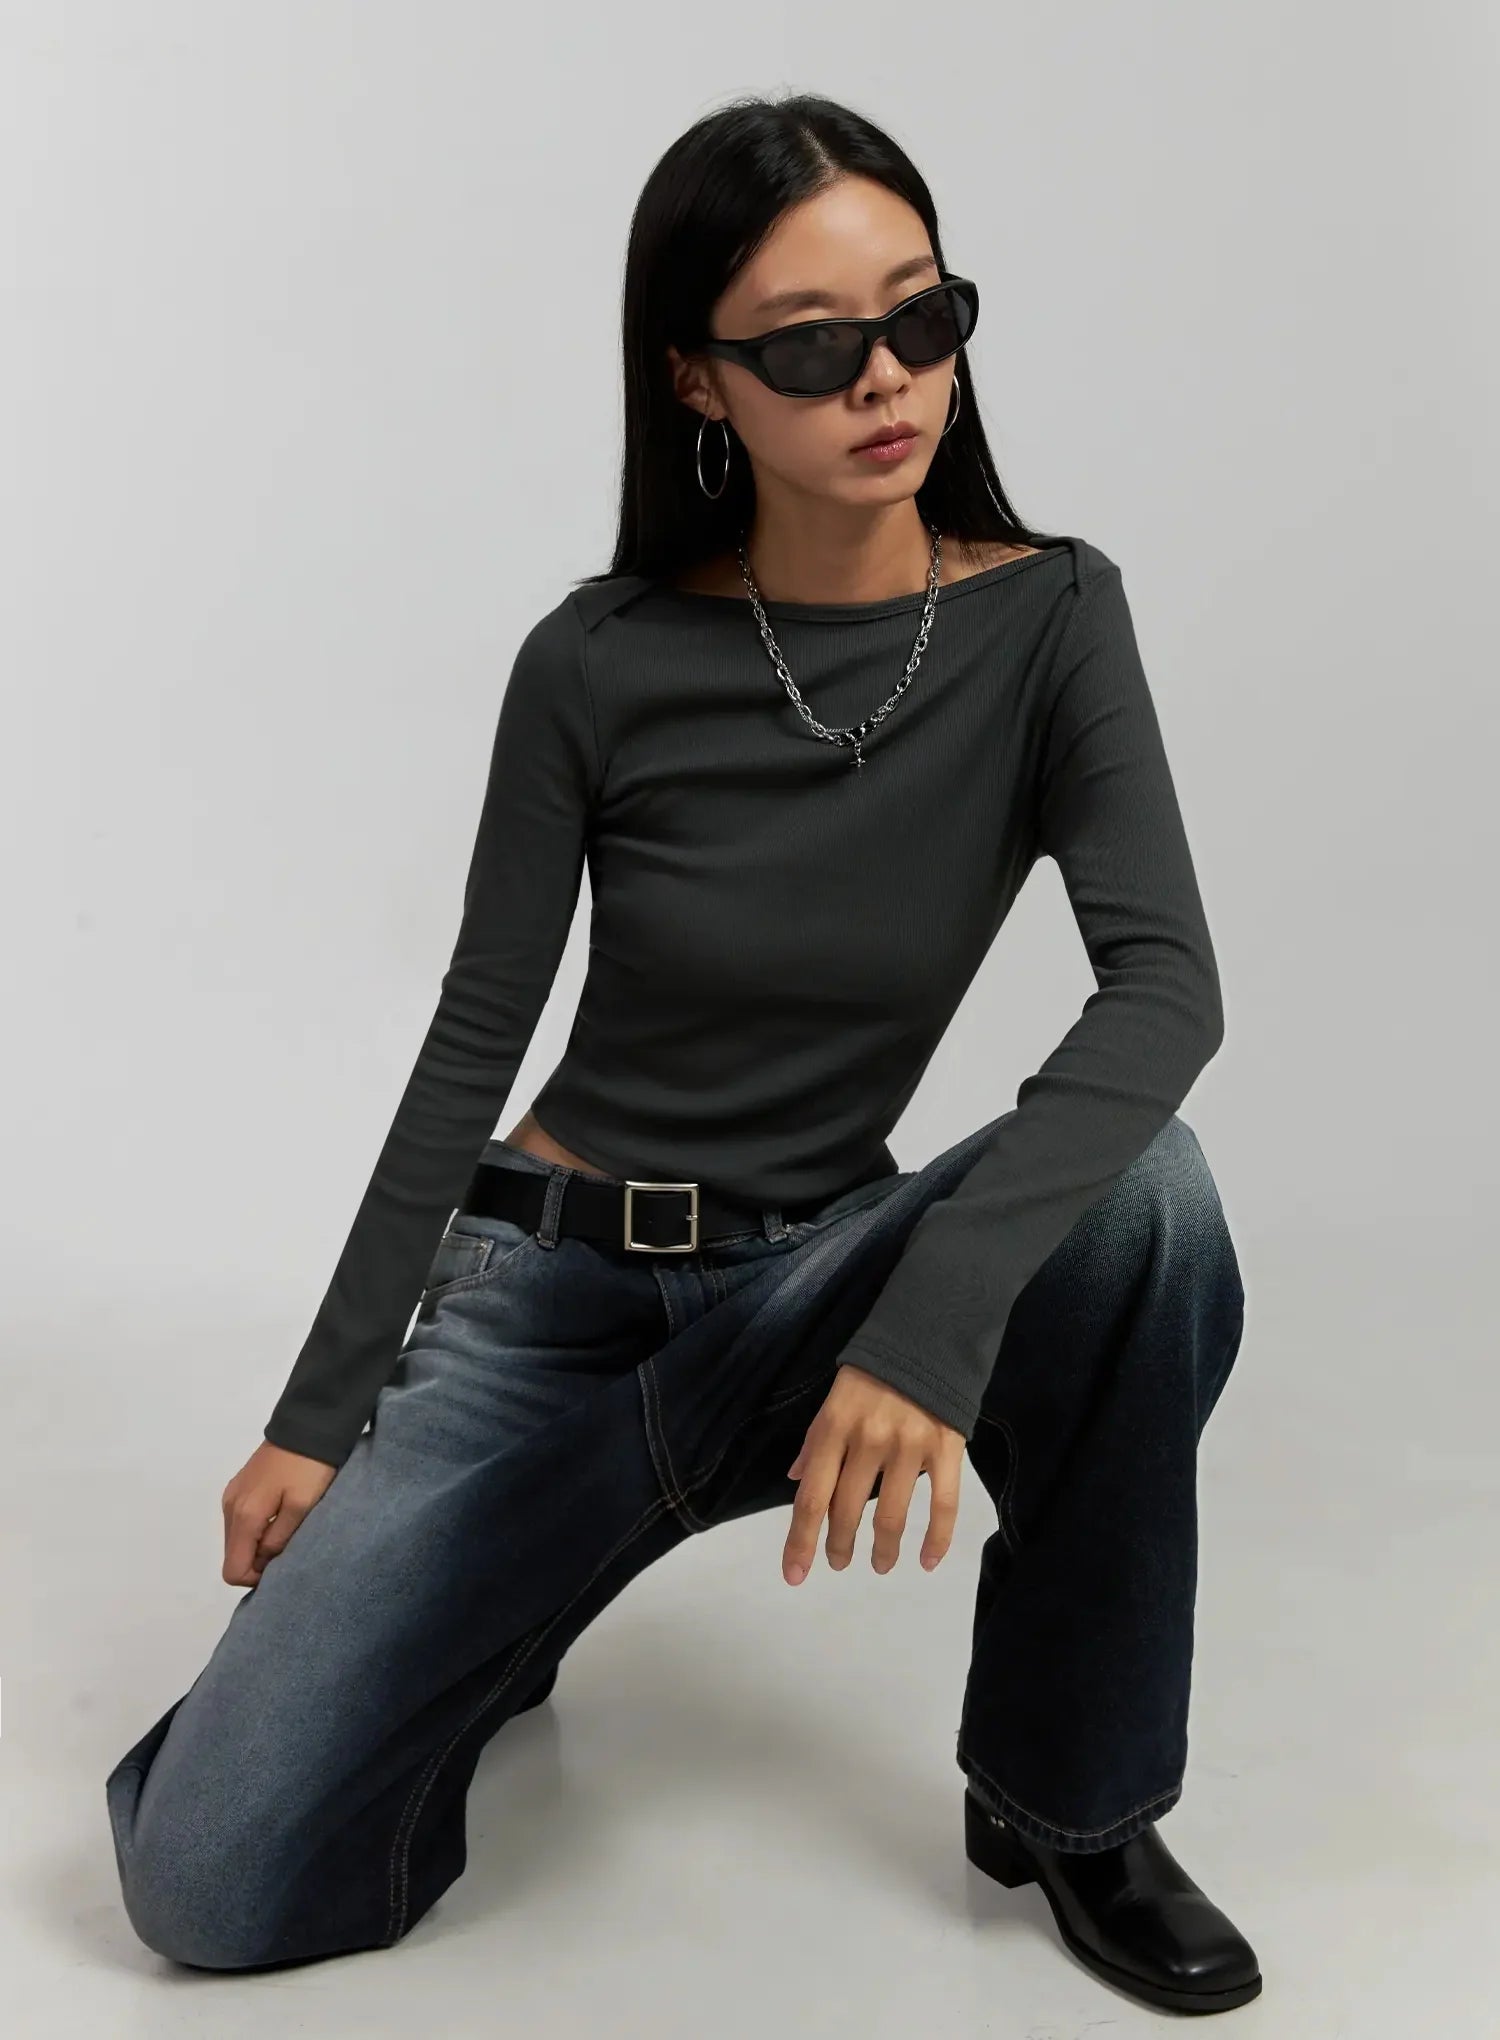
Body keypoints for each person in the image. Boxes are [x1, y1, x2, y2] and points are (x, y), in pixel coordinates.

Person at [104, 91, 1260, 2016]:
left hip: (813, 1290)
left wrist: (927, 1326)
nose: (885, 378)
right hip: (550, 1307)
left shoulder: (1056, 618)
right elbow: (473, 1042)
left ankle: (1073, 1804)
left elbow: (1167, 989)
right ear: (698, 379)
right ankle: (502, 1587)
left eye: (922, 316)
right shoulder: (597, 660)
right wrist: (321, 1410)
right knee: (208, 1887)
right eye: (810, 346)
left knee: (1148, 1200)